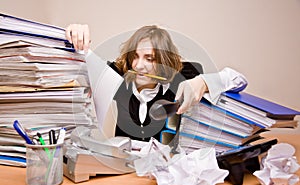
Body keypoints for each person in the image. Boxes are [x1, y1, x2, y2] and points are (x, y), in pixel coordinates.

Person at [66, 24, 247, 141]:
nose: (138, 66)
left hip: (169, 173)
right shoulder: (117, 75)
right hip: (125, 172)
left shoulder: (185, 76)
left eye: (149, 58)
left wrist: (204, 82)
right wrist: (75, 33)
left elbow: (239, 80)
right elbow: (81, 62)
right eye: (135, 57)